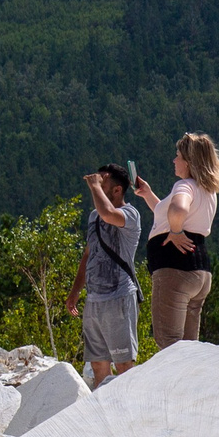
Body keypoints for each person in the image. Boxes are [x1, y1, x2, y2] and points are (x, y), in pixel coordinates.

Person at [135, 133, 219, 347]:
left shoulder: (184, 186)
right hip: (200, 273)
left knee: (169, 344)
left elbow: (178, 209)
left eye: (178, 156)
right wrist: (149, 195)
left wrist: (177, 232)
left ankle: (170, 382)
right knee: (190, 348)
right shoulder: (208, 191)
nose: (174, 160)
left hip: (174, 269)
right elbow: (169, 215)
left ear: (188, 163)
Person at [65, 165, 144, 385]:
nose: (99, 186)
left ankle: (128, 410)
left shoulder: (131, 215)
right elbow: (89, 254)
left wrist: (93, 186)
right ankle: (104, 412)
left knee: (124, 364)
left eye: (104, 184)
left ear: (117, 190)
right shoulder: (94, 217)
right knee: (98, 363)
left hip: (119, 296)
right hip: (94, 300)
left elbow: (109, 215)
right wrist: (75, 292)